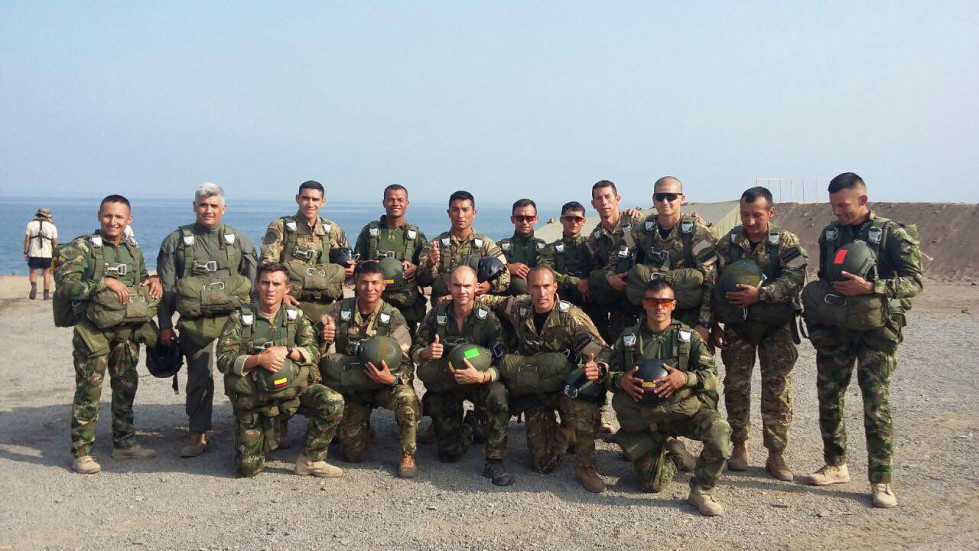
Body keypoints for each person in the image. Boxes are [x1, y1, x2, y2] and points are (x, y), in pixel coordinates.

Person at [806, 172, 923, 508]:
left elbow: (914, 281)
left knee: (876, 405)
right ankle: (835, 464)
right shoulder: (830, 233)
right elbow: (824, 274)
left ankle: (881, 481)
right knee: (829, 397)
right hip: (836, 328)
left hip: (877, 330)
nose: (838, 213)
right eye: (833, 207)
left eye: (843, 206)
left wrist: (873, 287)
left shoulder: (891, 233)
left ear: (863, 200)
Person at [479, 266, 611, 493]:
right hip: (536, 391)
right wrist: (463, 295)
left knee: (582, 406)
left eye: (547, 286)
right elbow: (491, 300)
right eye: (536, 287)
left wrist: (597, 367)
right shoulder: (520, 307)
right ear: (528, 289)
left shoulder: (571, 318)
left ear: (555, 287)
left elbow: (604, 351)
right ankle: (566, 433)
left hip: (565, 390)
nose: (542, 293)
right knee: (543, 465)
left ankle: (586, 467)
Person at [55, 195, 162, 474]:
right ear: (99, 216)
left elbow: (137, 282)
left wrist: (151, 281)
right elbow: (66, 286)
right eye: (108, 216)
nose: (113, 222)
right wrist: (102, 282)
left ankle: (124, 443)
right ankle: (81, 452)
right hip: (93, 332)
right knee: (89, 392)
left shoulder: (132, 250)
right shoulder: (81, 248)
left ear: (129, 220)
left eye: (119, 217)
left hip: (126, 333)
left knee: (126, 388)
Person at [607, 280, 731, 516]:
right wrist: (619, 380)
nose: (659, 307)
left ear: (673, 305)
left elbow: (712, 375)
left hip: (683, 411)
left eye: (664, 302)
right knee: (651, 484)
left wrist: (684, 379)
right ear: (644, 304)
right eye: (653, 301)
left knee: (719, 431)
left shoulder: (687, 338)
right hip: (646, 418)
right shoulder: (628, 339)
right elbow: (608, 372)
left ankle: (701, 491)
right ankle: (675, 454)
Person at [215, 262, 344, 478]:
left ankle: (312, 459)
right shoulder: (239, 319)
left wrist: (288, 350)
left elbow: (313, 352)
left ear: (287, 289)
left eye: (276, 283)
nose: (270, 288)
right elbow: (223, 360)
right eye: (265, 282)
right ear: (257, 285)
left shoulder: (297, 317)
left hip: (293, 392)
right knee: (248, 469)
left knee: (332, 401)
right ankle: (266, 434)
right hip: (256, 397)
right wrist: (258, 359)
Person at [157, 183, 258, 458]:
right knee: (199, 378)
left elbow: (253, 285)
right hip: (195, 322)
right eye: (203, 205)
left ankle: (248, 430)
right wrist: (165, 325)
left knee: (243, 373)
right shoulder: (176, 242)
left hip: (234, 322)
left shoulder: (237, 241)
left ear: (224, 209)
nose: (208, 210)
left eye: (214, 206)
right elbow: (166, 290)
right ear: (194, 207)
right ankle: (197, 434)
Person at [713, 187, 807, 481]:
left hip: (775, 326)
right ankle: (739, 446)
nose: (750, 221)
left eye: (757, 215)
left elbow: (796, 277)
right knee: (736, 386)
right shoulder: (728, 243)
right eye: (745, 214)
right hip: (738, 327)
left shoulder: (786, 242)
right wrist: (713, 322)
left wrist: (762, 294)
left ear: (770, 213)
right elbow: (712, 283)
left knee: (777, 390)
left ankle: (776, 454)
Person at [318, 261, 422, 478]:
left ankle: (407, 455)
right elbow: (318, 352)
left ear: (383, 285)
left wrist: (392, 380)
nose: (370, 288)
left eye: (375, 283)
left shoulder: (394, 318)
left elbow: (406, 362)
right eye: (364, 282)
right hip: (353, 385)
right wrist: (323, 337)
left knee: (407, 399)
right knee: (352, 455)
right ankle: (361, 428)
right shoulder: (339, 310)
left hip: (382, 384)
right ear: (355, 283)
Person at [412, 266, 514, 486]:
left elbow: (502, 359)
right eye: (457, 285)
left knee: (498, 394)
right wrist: (425, 353)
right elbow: (415, 349)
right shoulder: (437, 314)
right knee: (449, 454)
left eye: (467, 286)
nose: (462, 291)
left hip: (478, 382)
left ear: (476, 288)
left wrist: (482, 377)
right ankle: (471, 426)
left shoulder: (488, 319)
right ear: (449, 287)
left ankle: (495, 460)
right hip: (448, 383)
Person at [619, 176, 718, 342]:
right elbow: (621, 250)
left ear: (682, 198)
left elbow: (711, 278)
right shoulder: (643, 229)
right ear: (653, 199)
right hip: (653, 315)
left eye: (671, 196)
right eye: (660, 197)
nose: (665, 201)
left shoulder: (697, 233)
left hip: (688, 315)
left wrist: (704, 323)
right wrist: (610, 276)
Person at [353, 184, 428, 338]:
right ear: (384, 203)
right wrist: (368, 264)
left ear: (407, 203)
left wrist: (416, 269)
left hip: (404, 307)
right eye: (391, 199)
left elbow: (425, 273)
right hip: (372, 305)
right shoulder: (370, 232)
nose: (396, 203)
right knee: (370, 348)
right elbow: (356, 265)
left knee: (402, 349)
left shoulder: (416, 236)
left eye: (400, 200)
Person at [417, 190, 510, 304]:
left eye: (465, 210)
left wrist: (489, 285)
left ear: (474, 213)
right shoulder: (435, 245)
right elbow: (421, 280)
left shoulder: (486, 244)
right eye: (455, 210)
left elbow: (505, 274)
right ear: (449, 213)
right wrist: (429, 265)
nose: (460, 215)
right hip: (442, 308)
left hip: (474, 307)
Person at [586, 180, 644, 343]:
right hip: (620, 302)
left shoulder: (635, 222)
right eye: (599, 198)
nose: (604, 202)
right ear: (593, 204)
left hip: (643, 294)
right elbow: (597, 270)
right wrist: (609, 279)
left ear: (617, 199)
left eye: (608, 197)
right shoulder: (595, 238)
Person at [499, 198, 546, 296]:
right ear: (513, 219)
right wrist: (507, 268)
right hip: (508, 303)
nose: (524, 222)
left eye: (529, 218)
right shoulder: (499, 248)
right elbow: (487, 268)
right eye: (520, 218)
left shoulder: (545, 248)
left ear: (536, 220)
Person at [25, 207, 58, 300]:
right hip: (47, 254)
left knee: (33, 271)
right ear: (46, 216)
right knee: (46, 274)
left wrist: (25, 251)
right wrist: (55, 254)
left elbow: (27, 240)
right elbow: (55, 242)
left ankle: (34, 286)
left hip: (33, 253)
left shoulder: (30, 224)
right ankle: (46, 294)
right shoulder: (52, 226)